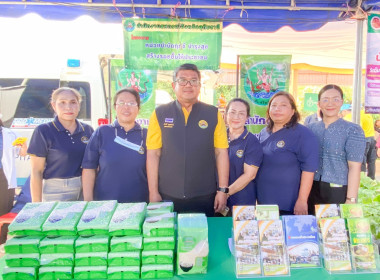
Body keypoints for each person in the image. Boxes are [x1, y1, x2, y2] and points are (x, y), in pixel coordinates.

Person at [146, 63, 229, 217]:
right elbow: (153, 154)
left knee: (203, 238)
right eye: (182, 80)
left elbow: (221, 153)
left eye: (194, 81)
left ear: (199, 85)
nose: (188, 85)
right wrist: (153, 192)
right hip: (168, 194)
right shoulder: (160, 113)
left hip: (204, 194)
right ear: (173, 85)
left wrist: (223, 190)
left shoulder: (213, 114)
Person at [255, 91, 319, 215]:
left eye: (283, 105)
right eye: (273, 105)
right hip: (264, 201)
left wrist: (302, 200)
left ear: (293, 111)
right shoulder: (264, 132)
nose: (277, 109)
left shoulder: (303, 134)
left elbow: (309, 170)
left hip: (288, 202)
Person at [82, 88, 148, 203]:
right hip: (105, 203)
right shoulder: (102, 132)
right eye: (121, 103)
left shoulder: (146, 134)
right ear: (114, 107)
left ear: (138, 108)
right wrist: (88, 202)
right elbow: (89, 168)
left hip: (139, 203)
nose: (126, 107)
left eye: (132, 103)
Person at [28, 87, 94, 202]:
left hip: (84, 188)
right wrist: (36, 204)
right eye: (62, 103)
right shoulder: (43, 131)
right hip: (55, 191)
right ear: (54, 106)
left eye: (73, 102)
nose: (68, 107)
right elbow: (36, 171)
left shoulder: (87, 130)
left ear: (79, 105)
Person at [307, 84, 366, 214]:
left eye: (335, 99)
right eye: (325, 99)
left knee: (334, 231)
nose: (330, 103)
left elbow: (354, 167)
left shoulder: (353, 130)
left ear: (342, 102)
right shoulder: (310, 128)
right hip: (310, 188)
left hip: (338, 191)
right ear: (319, 104)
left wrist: (351, 199)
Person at [224, 98, 263, 211]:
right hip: (217, 200)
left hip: (241, 202)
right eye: (232, 112)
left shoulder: (252, 142)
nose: (236, 117)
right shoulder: (218, 137)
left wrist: (225, 194)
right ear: (225, 114)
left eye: (241, 113)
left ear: (247, 118)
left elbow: (249, 175)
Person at [0, 114, 27, 215]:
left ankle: (3, 231)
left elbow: (22, 153)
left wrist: (24, 147)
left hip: (3, 177)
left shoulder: (10, 134)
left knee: (3, 210)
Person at [342, 106, 377, 180]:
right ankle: (372, 179)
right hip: (371, 138)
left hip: (363, 139)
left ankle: (361, 179)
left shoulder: (351, 116)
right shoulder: (367, 114)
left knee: (361, 160)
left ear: (344, 111)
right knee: (371, 161)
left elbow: (357, 129)